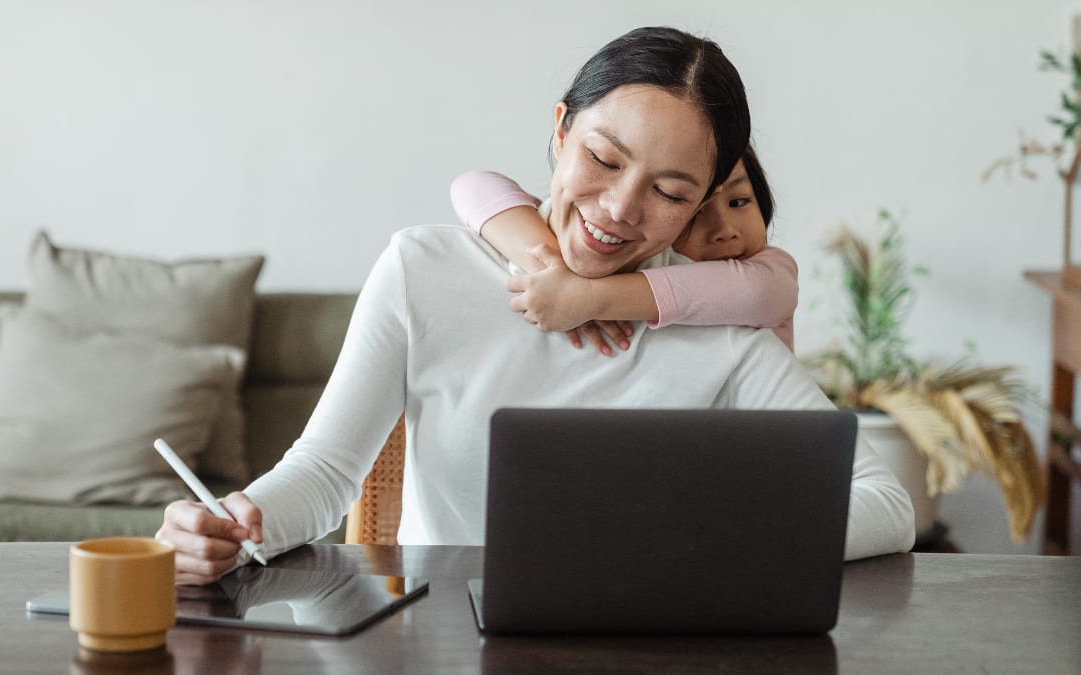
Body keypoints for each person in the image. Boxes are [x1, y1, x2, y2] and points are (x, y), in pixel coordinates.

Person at [157, 26, 915, 585]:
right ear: (559, 132)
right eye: (604, 158)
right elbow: (324, 474)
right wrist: (232, 521)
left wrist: (719, 537)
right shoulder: (424, 270)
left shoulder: (719, 327)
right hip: (441, 643)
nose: (619, 208)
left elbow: (886, 503)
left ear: (701, 206)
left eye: (670, 191)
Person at [449, 145, 797, 354]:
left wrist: (588, 297)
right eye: (696, 214)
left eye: (740, 201)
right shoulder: (634, 256)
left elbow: (759, 293)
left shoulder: (770, 270)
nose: (725, 231)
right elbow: (473, 185)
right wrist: (551, 270)